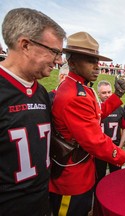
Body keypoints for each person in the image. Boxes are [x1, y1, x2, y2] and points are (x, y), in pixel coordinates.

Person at [49, 32, 125, 216]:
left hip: (81, 169)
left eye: (97, 60)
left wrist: (117, 96)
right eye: (90, 60)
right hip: (72, 178)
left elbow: (96, 115)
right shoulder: (74, 94)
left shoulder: (81, 87)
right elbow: (94, 140)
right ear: (72, 62)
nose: (97, 66)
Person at [0, 8, 65, 215]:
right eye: (54, 51)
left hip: (41, 203)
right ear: (26, 45)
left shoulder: (42, 93)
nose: (59, 61)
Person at [95, 80, 125, 182]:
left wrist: (120, 146)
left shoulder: (119, 109)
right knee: (99, 177)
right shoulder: (95, 108)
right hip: (99, 150)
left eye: (109, 92)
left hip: (115, 148)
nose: (107, 95)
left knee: (116, 177)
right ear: (98, 94)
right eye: (104, 93)